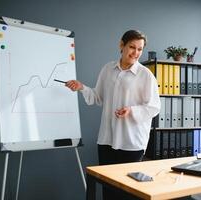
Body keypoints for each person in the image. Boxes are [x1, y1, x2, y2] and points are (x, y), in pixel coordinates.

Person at [65, 30, 160, 199]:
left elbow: (154, 107)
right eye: (132, 47)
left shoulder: (146, 75)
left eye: (140, 49)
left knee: (128, 194)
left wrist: (131, 110)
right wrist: (82, 87)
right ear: (121, 45)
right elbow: (98, 97)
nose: (136, 53)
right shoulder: (108, 69)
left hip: (131, 143)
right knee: (108, 192)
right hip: (107, 140)